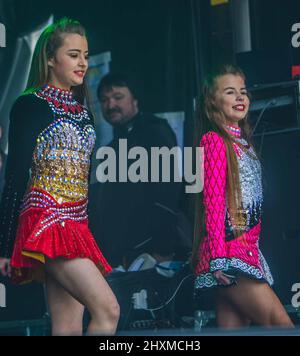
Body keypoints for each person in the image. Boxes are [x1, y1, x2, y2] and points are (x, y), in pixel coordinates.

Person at [0, 18, 119, 335]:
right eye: (73, 54)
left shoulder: (83, 110)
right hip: (46, 221)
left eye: (85, 55)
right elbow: (14, 175)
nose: (83, 63)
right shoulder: (29, 105)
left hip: (75, 224)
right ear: (50, 58)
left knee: (67, 327)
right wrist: (3, 244)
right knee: (108, 311)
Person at [192, 64, 293, 328]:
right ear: (212, 101)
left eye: (243, 92)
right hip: (229, 256)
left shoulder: (244, 144)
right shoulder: (214, 140)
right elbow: (213, 202)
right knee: (281, 327)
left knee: (235, 331)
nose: (240, 97)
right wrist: (218, 260)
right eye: (230, 92)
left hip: (246, 252)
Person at [89, 73, 188, 269]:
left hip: (153, 252)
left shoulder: (155, 131)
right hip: (121, 256)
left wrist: (163, 250)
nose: (110, 105)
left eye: (118, 97)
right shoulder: (111, 147)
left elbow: (166, 191)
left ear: (135, 100)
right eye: (104, 100)